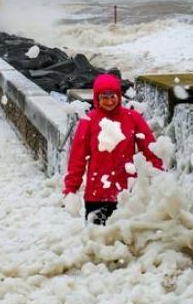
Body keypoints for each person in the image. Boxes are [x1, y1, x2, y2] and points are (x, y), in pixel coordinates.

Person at [63, 73, 163, 225]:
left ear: (119, 96)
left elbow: (150, 151)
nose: (109, 101)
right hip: (96, 194)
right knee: (97, 241)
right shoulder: (88, 122)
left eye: (113, 96)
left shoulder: (133, 118)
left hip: (126, 194)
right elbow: (77, 158)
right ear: (97, 98)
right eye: (104, 97)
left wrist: (160, 178)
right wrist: (70, 189)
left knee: (125, 240)